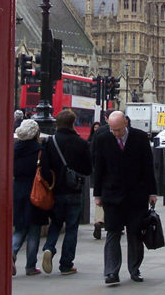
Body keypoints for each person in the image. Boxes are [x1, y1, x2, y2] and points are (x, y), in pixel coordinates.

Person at [93, 111, 158, 286]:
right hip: (112, 195)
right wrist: (97, 194)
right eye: (113, 130)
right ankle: (111, 272)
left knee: (135, 234)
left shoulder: (140, 138)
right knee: (113, 233)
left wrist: (152, 192)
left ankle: (134, 269)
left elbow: (148, 166)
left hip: (136, 194)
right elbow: (98, 168)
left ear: (126, 124)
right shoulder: (103, 139)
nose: (116, 134)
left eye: (119, 130)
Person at [40, 109, 92, 275]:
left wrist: (50, 183)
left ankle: (49, 248)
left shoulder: (49, 142)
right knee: (71, 228)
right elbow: (88, 169)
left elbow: (44, 169)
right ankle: (66, 264)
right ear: (72, 123)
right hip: (74, 191)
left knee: (55, 223)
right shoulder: (82, 143)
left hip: (55, 190)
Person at [12, 119, 51, 276]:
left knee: (20, 227)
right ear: (36, 133)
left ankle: (12, 251)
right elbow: (46, 173)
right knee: (34, 229)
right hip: (35, 191)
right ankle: (30, 266)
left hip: (18, 190)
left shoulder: (14, 149)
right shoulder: (39, 150)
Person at [88, 120, 106, 240]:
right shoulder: (122, 132)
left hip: (100, 171)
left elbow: (92, 152)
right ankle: (117, 225)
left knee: (100, 199)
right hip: (117, 175)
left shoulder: (99, 133)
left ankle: (99, 221)